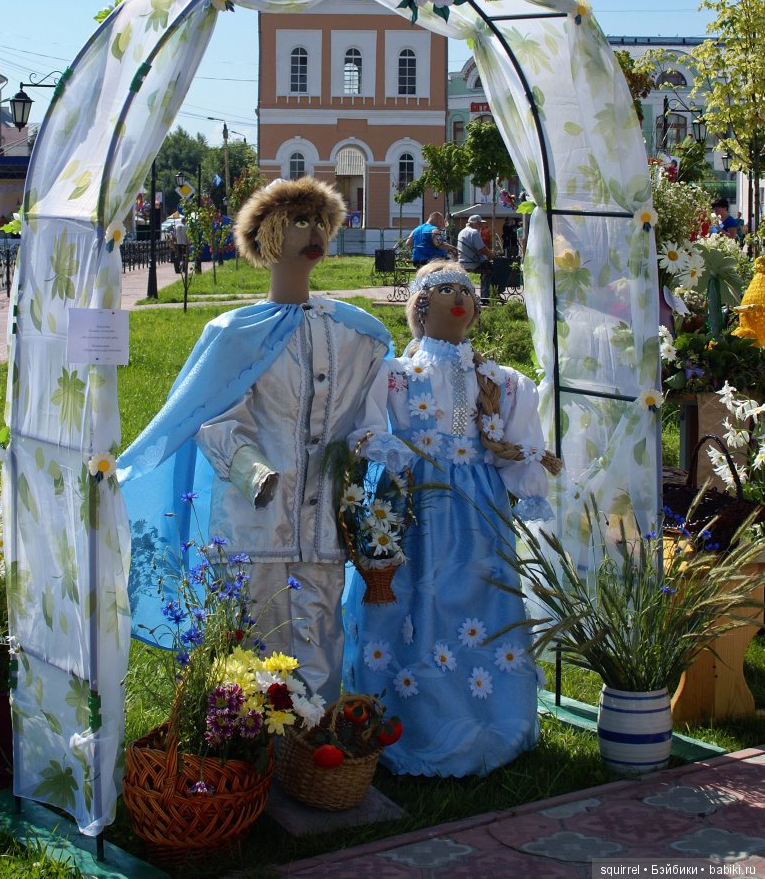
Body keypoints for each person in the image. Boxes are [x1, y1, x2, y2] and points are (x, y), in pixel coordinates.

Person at [119, 177, 392, 699]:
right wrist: (252, 470)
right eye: (297, 221)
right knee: (251, 640)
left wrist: (367, 455)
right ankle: (249, 745)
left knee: (320, 627)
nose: (312, 231)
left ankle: (313, 746)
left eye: (318, 220)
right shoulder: (234, 333)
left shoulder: (358, 336)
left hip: (321, 527)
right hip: (254, 523)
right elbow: (215, 417)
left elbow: (370, 413)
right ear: (267, 234)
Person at [343, 260, 560, 777]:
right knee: (413, 598)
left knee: (485, 599)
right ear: (420, 304)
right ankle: (407, 717)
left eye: (465, 290)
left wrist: (525, 474)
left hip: (481, 512)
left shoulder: (501, 382)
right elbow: (367, 429)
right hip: (419, 506)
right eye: (443, 290)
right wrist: (401, 458)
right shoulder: (396, 375)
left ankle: (493, 714)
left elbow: (516, 448)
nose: (458, 299)